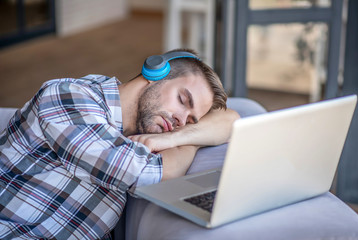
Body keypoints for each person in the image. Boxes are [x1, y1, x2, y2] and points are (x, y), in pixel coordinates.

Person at [0, 49, 239, 239]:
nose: (180, 120)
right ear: (154, 72)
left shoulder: (153, 135)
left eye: (190, 121)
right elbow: (156, 173)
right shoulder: (67, 96)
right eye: (183, 99)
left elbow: (231, 119)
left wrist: (178, 137)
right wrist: (193, 140)